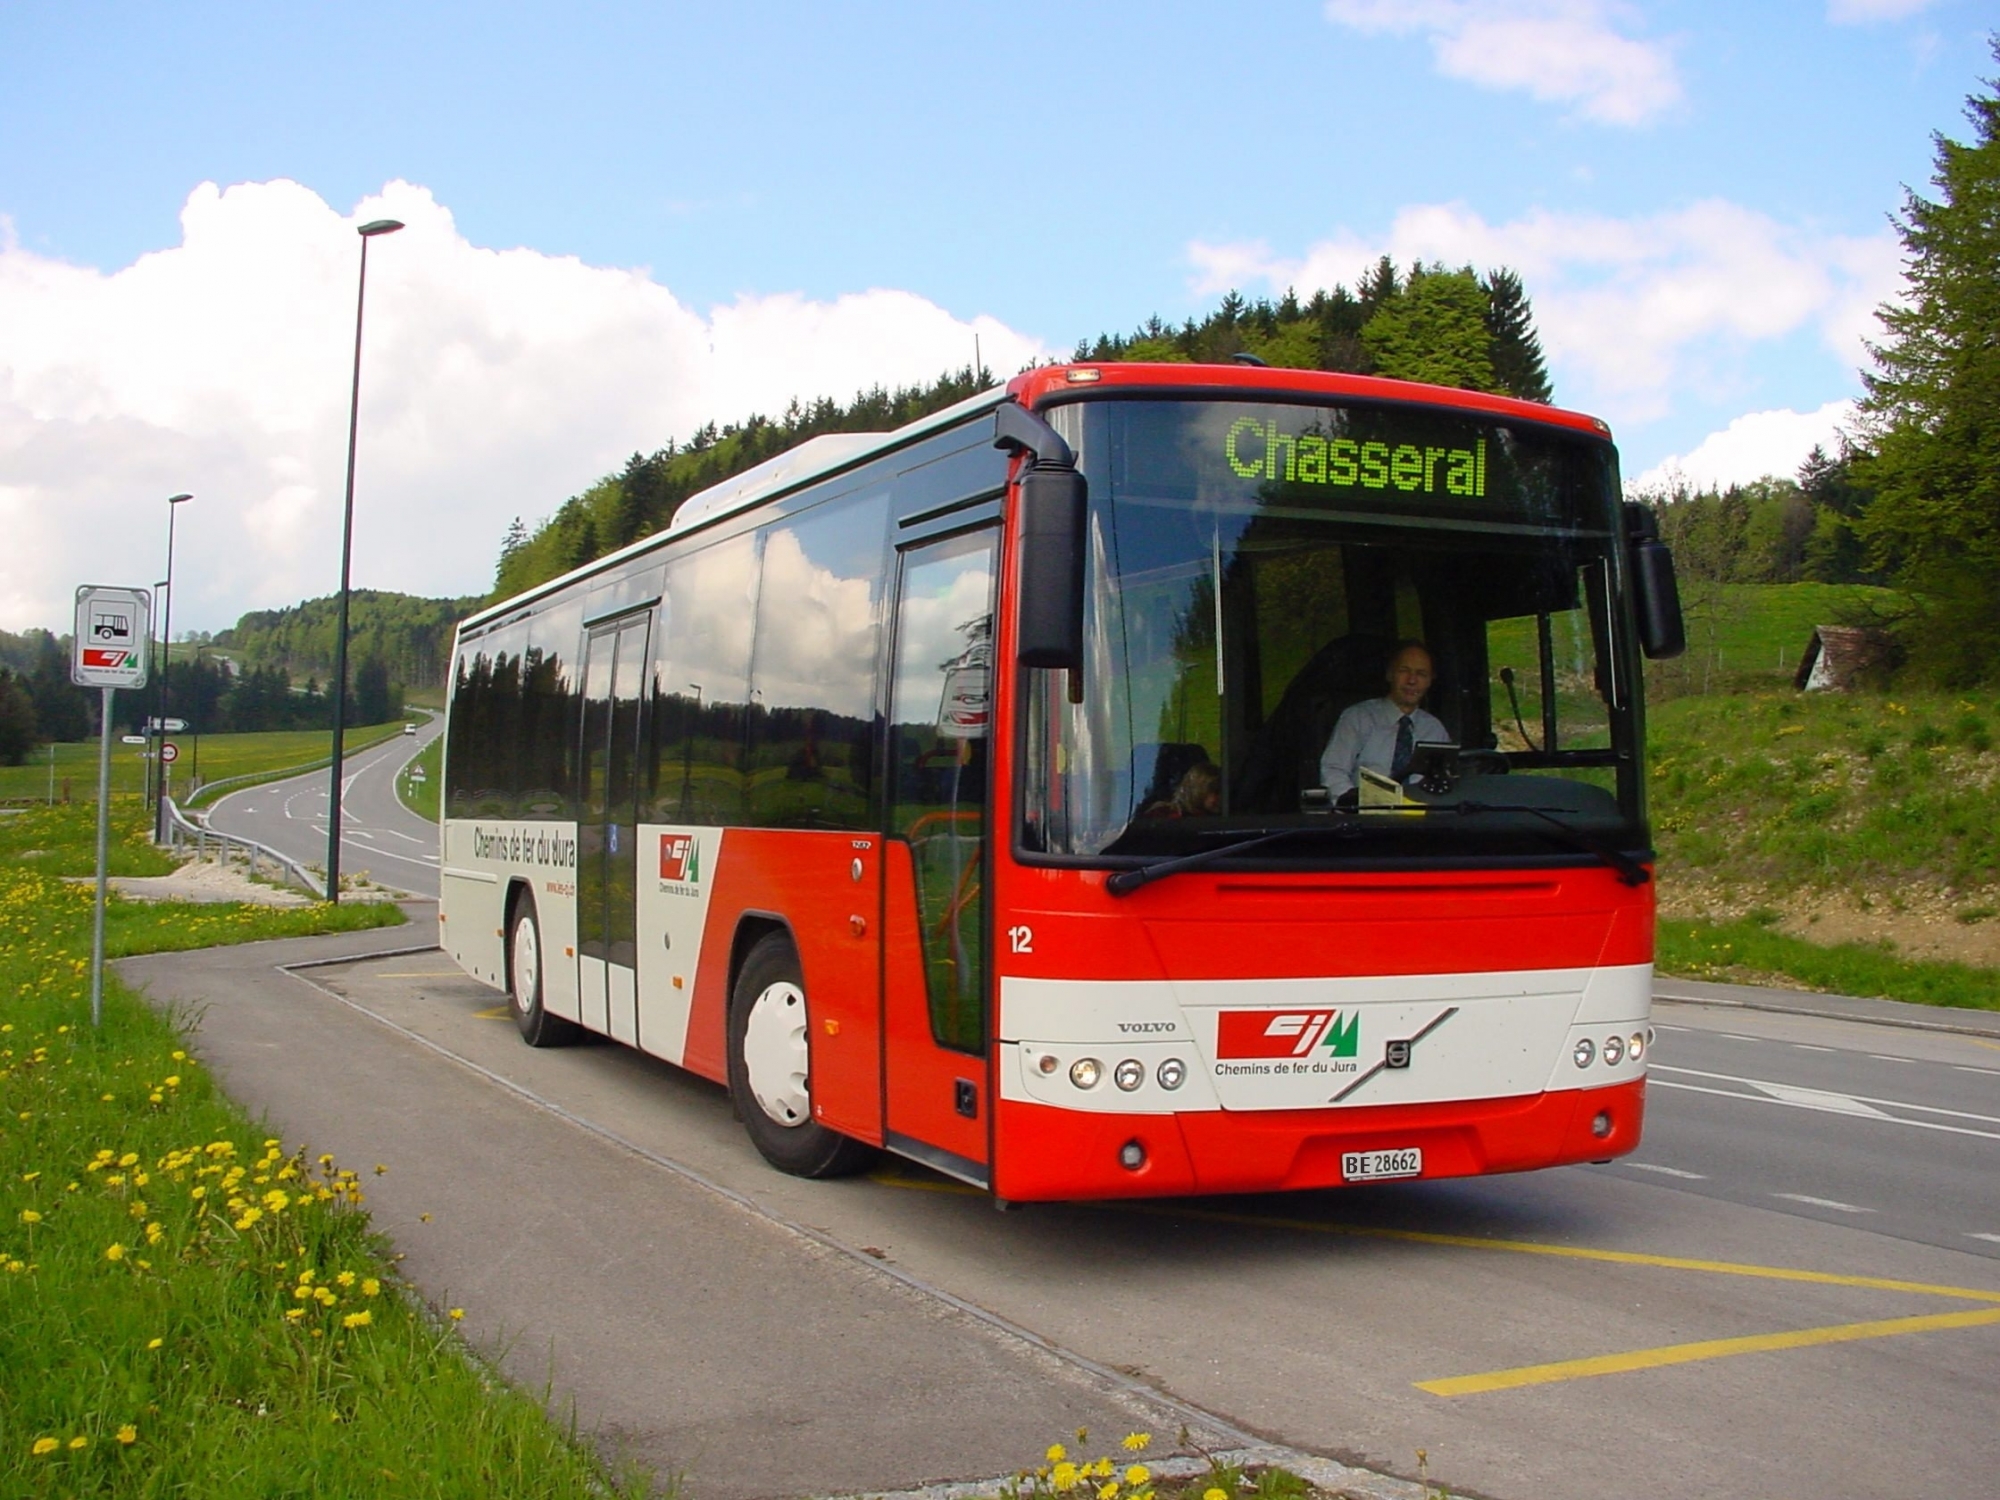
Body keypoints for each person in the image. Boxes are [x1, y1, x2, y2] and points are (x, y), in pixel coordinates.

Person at [1319, 641, 1448, 799]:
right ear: (1389, 674)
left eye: (1421, 674)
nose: (1412, 681)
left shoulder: (1434, 729)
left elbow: (1444, 782)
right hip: (1365, 819)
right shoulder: (1357, 718)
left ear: (1429, 681)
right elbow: (1333, 770)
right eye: (1404, 671)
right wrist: (1354, 805)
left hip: (1421, 819)